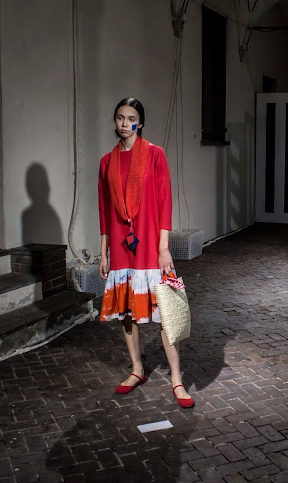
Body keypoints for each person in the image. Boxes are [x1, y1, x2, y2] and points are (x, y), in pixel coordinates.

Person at [98, 97, 194, 408]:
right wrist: (103, 253)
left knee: (165, 311)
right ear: (115, 121)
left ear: (140, 122)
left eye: (131, 118)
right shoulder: (107, 162)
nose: (125, 123)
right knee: (126, 312)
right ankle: (137, 369)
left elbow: (165, 202)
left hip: (151, 244)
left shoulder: (155, 154)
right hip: (120, 246)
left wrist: (164, 248)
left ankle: (177, 379)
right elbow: (104, 211)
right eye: (120, 117)